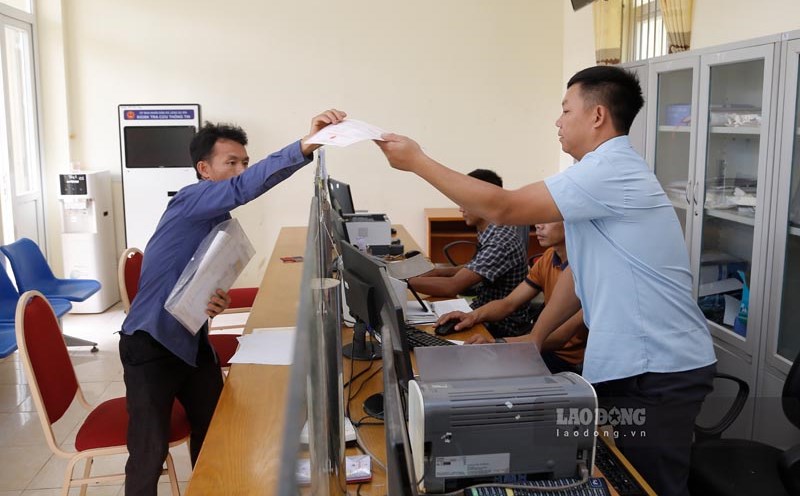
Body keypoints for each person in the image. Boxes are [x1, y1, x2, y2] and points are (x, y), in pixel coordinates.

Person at [376, 66, 716, 496]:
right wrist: (535, 340)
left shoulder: (611, 170)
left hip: (661, 368)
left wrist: (416, 161)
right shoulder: (598, 173)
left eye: (564, 109)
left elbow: (502, 206)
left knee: (652, 485)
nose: (557, 121)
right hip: (632, 364)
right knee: (616, 475)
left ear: (596, 116)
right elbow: (579, 274)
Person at [119, 109, 345, 496]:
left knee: (216, 429)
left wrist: (215, 297)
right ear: (204, 169)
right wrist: (304, 146)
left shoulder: (216, 215)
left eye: (245, 162)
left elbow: (193, 276)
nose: (241, 170)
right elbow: (247, 188)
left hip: (190, 341)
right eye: (231, 163)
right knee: (147, 454)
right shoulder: (191, 200)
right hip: (150, 344)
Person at [439, 222, 588, 374]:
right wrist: (472, 316)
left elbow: (559, 337)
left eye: (548, 219)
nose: (538, 225)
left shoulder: (586, 268)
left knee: (479, 370)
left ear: (571, 223)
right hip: (538, 345)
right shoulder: (549, 257)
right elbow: (509, 303)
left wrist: (495, 344)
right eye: (538, 219)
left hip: (565, 361)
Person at [409, 168, 533, 338]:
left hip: (499, 327)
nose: (460, 208)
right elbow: (472, 267)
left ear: (485, 201)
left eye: (465, 201)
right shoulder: (491, 230)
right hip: (481, 312)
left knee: (425, 334)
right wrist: (437, 271)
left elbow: (452, 286)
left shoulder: (501, 241)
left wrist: (402, 282)